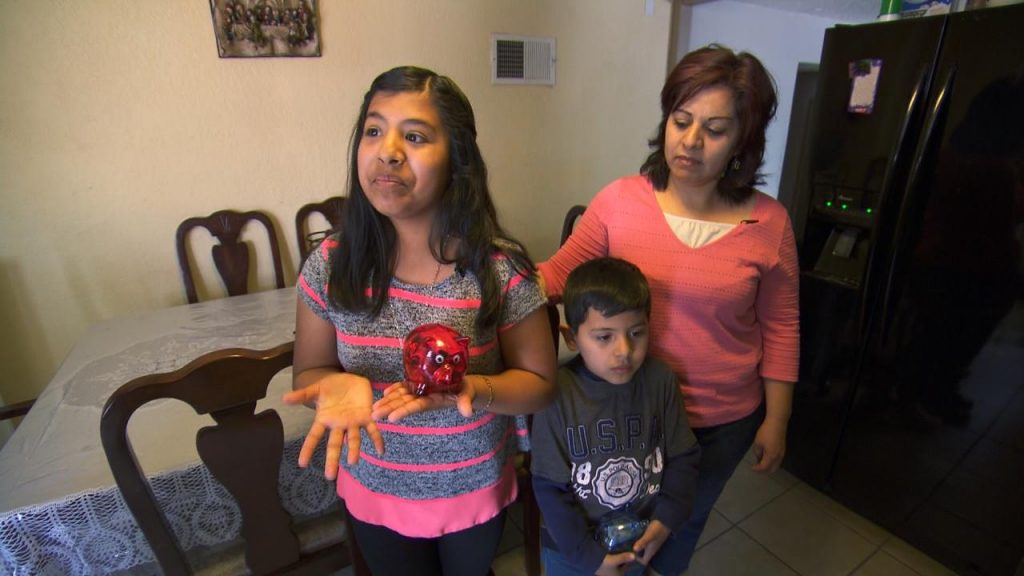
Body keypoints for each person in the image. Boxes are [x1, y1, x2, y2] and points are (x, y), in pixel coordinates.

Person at [283, 65, 557, 576]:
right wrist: (335, 384)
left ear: (458, 159)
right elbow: (310, 372)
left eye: (413, 136)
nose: (387, 151)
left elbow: (540, 386)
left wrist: (468, 387)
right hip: (376, 487)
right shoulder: (331, 266)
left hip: (470, 486)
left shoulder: (499, 271)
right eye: (373, 130)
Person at [538, 44, 800, 571]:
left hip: (721, 422)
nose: (692, 140)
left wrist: (778, 418)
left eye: (716, 129)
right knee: (608, 538)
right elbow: (552, 277)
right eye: (682, 120)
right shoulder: (619, 202)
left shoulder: (769, 224)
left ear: (742, 144)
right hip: (626, 413)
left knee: (673, 535)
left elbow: (782, 325)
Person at [531, 257, 701, 576]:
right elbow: (548, 488)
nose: (624, 350)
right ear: (571, 338)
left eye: (636, 333)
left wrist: (666, 521)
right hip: (572, 553)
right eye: (604, 337)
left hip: (638, 543)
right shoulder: (556, 395)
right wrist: (589, 558)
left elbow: (684, 457)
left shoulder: (660, 381)